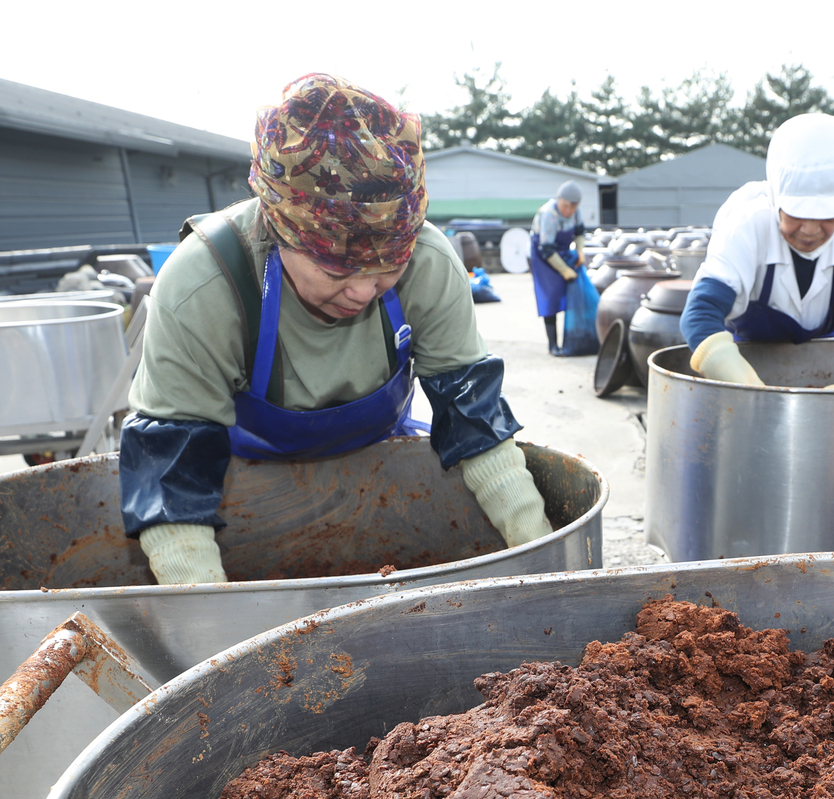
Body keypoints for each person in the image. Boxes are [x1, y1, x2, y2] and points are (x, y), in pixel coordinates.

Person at [119, 74, 552, 586]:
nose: (364, 292)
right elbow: (173, 474)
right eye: (338, 271)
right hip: (236, 500)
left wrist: (544, 562)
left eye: (389, 266)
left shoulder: (431, 264)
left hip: (382, 478)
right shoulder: (205, 283)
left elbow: (476, 425)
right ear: (278, 231)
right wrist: (212, 624)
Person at [679, 113, 834, 389]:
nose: (809, 229)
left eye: (827, 216)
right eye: (796, 214)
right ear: (775, 198)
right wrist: (740, 383)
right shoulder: (747, 224)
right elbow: (701, 312)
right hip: (744, 365)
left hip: (822, 371)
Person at [529, 182, 588, 355]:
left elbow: (579, 231)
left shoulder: (576, 212)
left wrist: (580, 250)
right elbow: (546, 249)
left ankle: (575, 338)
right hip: (543, 255)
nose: (569, 211)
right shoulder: (549, 215)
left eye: (573, 207)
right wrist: (564, 271)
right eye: (565, 206)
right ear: (559, 200)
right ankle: (553, 345)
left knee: (574, 292)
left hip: (561, 251)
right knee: (551, 297)